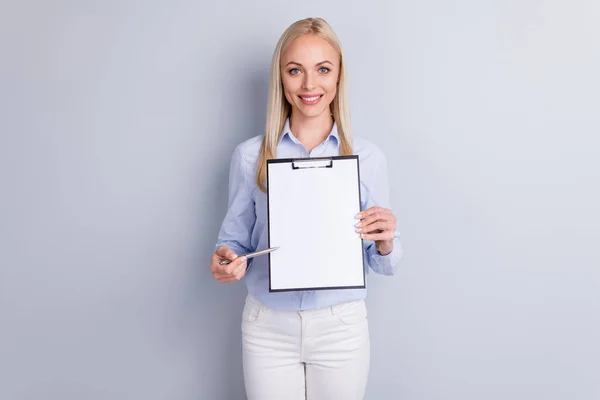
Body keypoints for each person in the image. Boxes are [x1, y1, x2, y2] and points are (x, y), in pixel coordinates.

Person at [210, 17, 403, 400]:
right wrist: (227, 260)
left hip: (340, 327)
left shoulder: (366, 157)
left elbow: (385, 263)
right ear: (280, 78)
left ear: (338, 77)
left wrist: (385, 241)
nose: (309, 85)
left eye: (323, 70)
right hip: (268, 327)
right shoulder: (250, 156)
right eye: (295, 70)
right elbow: (232, 243)